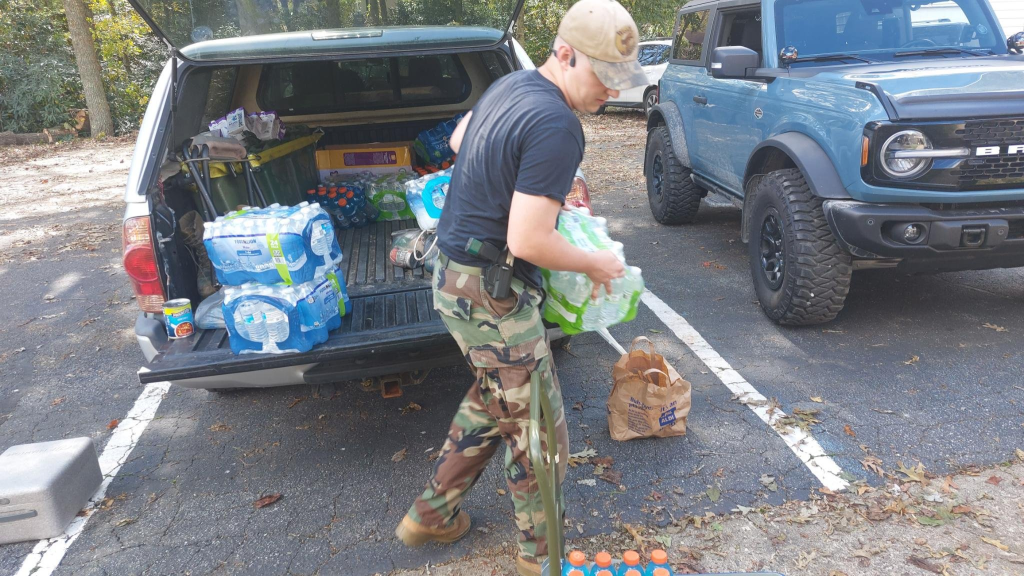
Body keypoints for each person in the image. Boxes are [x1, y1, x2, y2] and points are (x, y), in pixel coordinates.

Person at [395, 1, 648, 573]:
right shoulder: (558, 125)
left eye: (621, 77)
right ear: (565, 53)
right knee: (537, 429)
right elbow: (529, 238)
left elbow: (461, 139)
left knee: (498, 396)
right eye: (604, 74)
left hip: (454, 277)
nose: (613, 89)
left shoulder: (510, 85)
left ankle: (431, 516)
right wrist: (594, 263)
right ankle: (542, 560)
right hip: (491, 294)